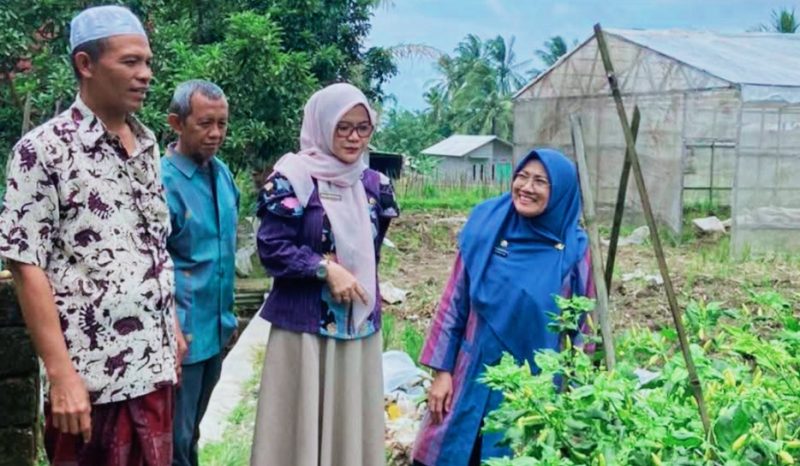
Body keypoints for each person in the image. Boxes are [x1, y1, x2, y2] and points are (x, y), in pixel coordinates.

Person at [0, 5, 182, 465]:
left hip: (153, 370)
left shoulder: (147, 145)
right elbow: (25, 263)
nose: (145, 74)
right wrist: (61, 376)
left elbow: (153, 245)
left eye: (147, 62)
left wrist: (172, 329)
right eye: (130, 62)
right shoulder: (42, 151)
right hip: (91, 383)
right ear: (86, 64)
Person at [412, 149, 596, 466]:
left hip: (535, 387)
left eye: (540, 181)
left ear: (560, 192)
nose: (526, 187)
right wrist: (441, 372)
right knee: (452, 452)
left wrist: (576, 397)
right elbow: (454, 303)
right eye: (522, 176)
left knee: (518, 455)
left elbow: (584, 332)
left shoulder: (575, 251)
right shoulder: (487, 227)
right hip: (471, 372)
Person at [249, 82, 399, 466]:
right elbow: (271, 249)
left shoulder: (374, 185)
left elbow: (371, 250)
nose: (353, 137)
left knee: (349, 428)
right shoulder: (292, 178)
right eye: (342, 127)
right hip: (304, 331)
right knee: (297, 432)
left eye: (362, 128)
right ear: (322, 125)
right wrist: (324, 268)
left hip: (357, 327)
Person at [161, 79, 238, 466]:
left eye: (222, 124)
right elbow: (151, 264)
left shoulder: (222, 175)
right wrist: (170, 329)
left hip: (217, 328)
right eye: (205, 123)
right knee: (175, 438)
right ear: (177, 123)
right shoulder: (161, 183)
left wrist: (229, 316)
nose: (215, 133)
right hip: (182, 336)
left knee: (191, 433)